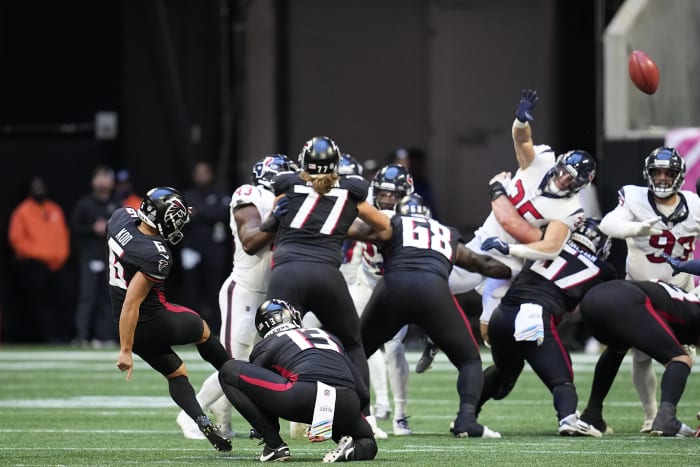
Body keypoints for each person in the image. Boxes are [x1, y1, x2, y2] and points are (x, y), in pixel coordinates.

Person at [418, 89, 593, 370]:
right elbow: (522, 140)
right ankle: (435, 335)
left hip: (510, 260)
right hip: (484, 240)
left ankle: (500, 369)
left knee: (489, 327)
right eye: (563, 173)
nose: (562, 181)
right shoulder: (542, 161)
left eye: (571, 180)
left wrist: (509, 249)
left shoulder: (570, 209)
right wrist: (520, 121)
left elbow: (551, 246)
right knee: (436, 284)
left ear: (580, 186)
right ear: (558, 164)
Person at [356, 193, 511, 438]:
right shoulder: (445, 232)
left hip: (395, 285)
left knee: (357, 350)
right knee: (469, 360)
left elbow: (358, 231)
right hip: (434, 291)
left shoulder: (394, 223)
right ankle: (466, 420)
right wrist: (511, 269)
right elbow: (479, 263)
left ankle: (362, 417)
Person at [263, 136, 391, 420]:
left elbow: (269, 223)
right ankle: (364, 416)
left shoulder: (286, 184)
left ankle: (266, 424)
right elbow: (384, 227)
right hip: (326, 275)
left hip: (286, 272)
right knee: (353, 344)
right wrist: (343, 226)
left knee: (272, 343)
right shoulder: (351, 191)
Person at [176, 154, 297, 440]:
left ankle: (226, 423)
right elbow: (251, 242)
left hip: (270, 296)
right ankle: (190, 413)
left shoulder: (289, 202)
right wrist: (280, 214)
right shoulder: (250, 195)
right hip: (243, 291)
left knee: (255, 363)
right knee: (234, 362)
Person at [107, 187, 232, 452]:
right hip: (150, 318)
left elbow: (132, 220)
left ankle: (199, 419)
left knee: (177, 373)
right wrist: (124, 352)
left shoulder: (119, 217)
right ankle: (232, 371)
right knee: (203, 330)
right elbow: (133, 302)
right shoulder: (156, 253)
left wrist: (128, 343)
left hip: (126, 324)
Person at [477, 218, 616, 437]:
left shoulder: (548, 245)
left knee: (504, 371)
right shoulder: (603, 269)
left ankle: (466, 414)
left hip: (502, 315)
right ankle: (568, 418)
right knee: (562, 378)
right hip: (533, 316)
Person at [597, 146, 700, 432]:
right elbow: (608, 223)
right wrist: (637, 229)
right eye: (658, 172)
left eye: (669, 173)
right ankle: (651, 415)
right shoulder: (634, 197)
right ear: (648, 174)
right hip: (642, 292)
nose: (663, 178)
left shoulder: (694, 204)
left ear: (679, 176)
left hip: (682, 290)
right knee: (642, 355)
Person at [218, 299, 378, 463]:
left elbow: (257, 393)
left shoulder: (267, 344)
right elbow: (363, 392)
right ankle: (353, 449)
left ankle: (275, 446)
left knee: (229, 371)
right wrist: (340, 419)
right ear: (294, 317)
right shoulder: (329, 337)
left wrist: (265, 430)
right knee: (367, 441)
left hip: (303, 395)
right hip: (346, 400)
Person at [578, 276, 698, 437]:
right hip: (627, 299)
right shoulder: (692, 309)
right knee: (680, 359)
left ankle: (592, 414)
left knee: (617, 347)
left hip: (592, 300)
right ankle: (666, 418)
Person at [349, 163, 415, 435]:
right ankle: (365, 411)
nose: (388, 199)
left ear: (406, 194)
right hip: (366, 280)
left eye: (394, 194)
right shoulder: (366, 207)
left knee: (396, 348)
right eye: (384, 194)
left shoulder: (413, 213)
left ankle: (400, 414)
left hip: (395, 286)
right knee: (355, 344)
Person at [8, 176, 71, 343]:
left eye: (41, 186)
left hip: (57, 265)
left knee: (62, 300)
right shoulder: (23, 211)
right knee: (41, 304)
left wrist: (59, 257)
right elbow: (17, 240)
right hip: (34, 265)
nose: (39, 190)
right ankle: (48, 336)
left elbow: (63, 236)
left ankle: (63, 335)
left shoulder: (54, 209)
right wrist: (43, 254)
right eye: (35, 187)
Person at [181, 160, 231, 335]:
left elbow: (224, 213)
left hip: (214, 250)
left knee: (215, 289)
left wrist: (200, 212)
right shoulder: (187, 196)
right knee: (192, 290)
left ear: (211, 175)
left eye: (205, 172)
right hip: (192, 249)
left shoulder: (220, 195)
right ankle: (191, 329)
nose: (202, 176)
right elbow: (180, 217)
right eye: (198, 172)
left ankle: (217, 329)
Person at [71, 165, 119, 347]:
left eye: (106, 177)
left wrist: (108, 227)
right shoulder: (84, 204)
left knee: (107, 298)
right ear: (93, 181)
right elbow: (74, 228)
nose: (102, 181)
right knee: (86, 297)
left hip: (110, 258)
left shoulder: (116, 204)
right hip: (89, 257)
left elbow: (126, 229)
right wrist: (92, 229)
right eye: (99, 177)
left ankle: (104, 337)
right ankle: (81, 336)